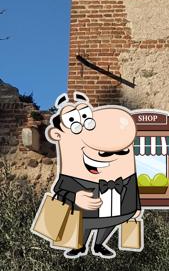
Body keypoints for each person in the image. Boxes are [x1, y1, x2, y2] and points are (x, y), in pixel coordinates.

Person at [43, 92, 141, 258]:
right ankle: (80, 246)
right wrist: (75, 198)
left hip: (115, 210)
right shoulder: (71, 177)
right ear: (57, 134)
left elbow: (131, 187)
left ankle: (99, 244)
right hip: (86, 214)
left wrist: (136, 207)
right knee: (85, 224)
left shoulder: (124, 175)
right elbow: (60, 190)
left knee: (109, 223)